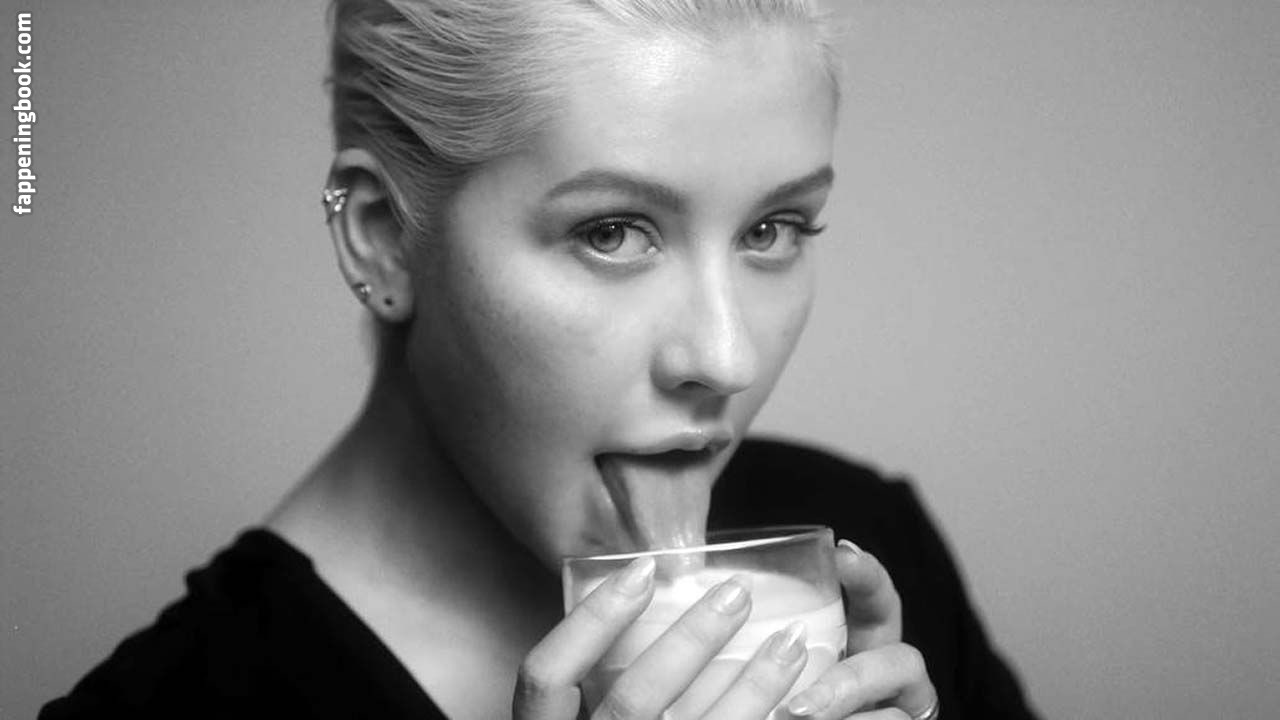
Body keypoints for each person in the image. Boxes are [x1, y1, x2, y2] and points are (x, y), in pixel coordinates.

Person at [41, 1, 1039, 718]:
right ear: (383, 239)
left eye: (772, 229)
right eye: (612, 232)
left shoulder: (866, 562)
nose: (726, 358)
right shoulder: (176, 698)